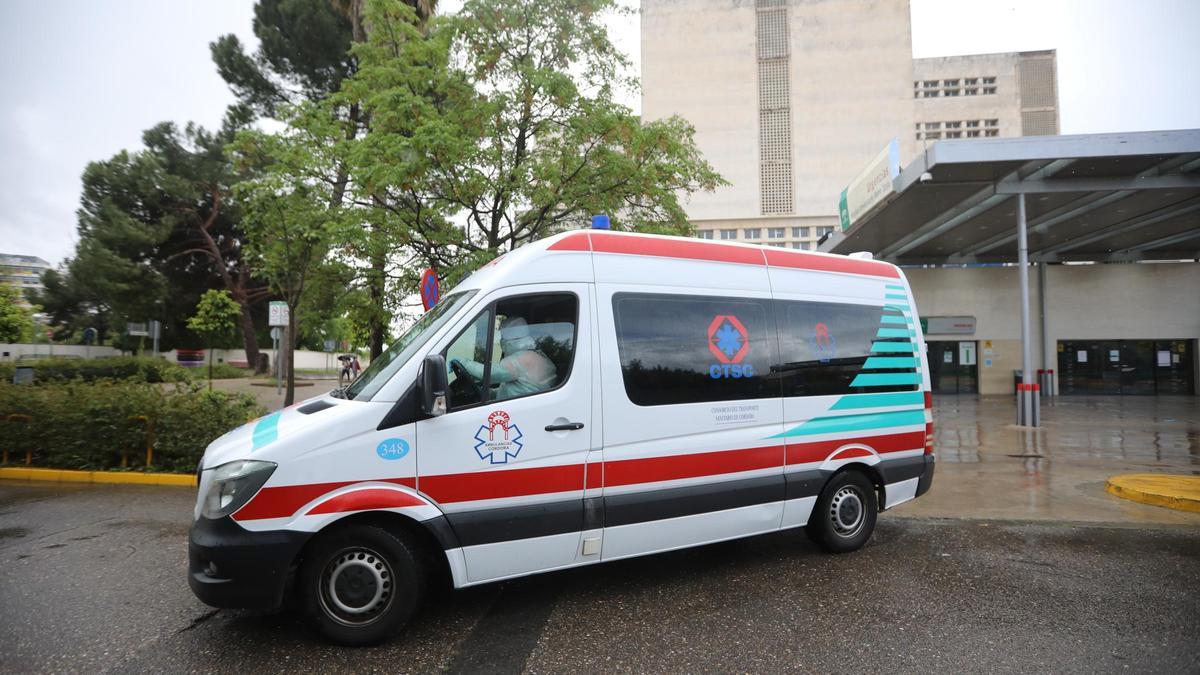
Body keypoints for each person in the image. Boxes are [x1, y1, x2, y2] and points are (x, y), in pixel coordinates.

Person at [452, 317, 557, 400]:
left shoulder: (524, 359)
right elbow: (514, 389)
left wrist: (464, 363)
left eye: (503, 337)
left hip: (520, 411)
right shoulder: (538, 355)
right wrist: (487, 393)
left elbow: (489, 374)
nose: (501, 341)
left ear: (509, 340)